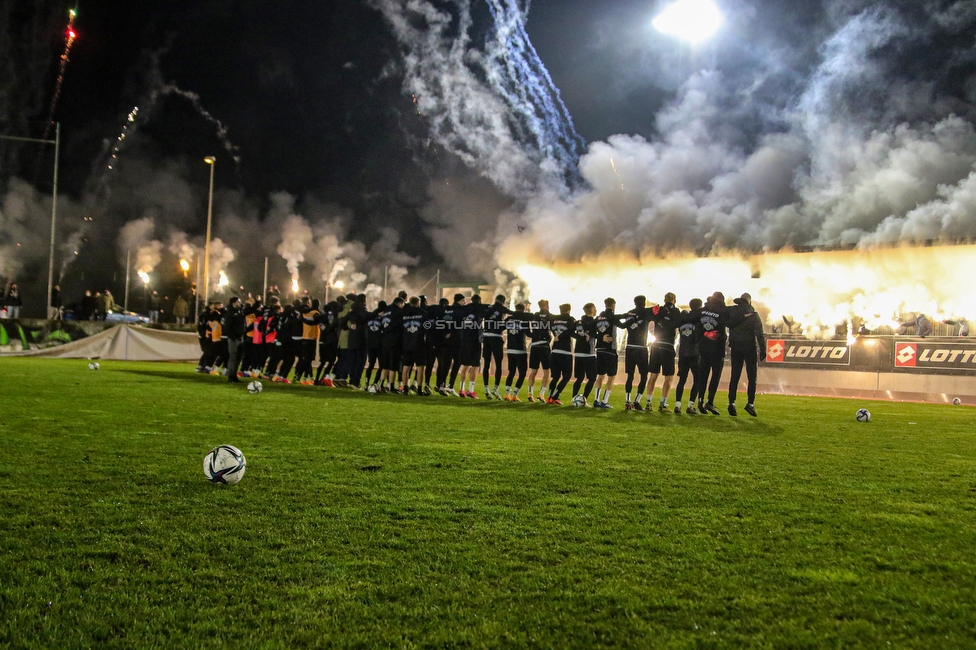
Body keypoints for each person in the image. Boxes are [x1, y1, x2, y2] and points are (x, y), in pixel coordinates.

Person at [727, 293, 765, 417]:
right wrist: (763, 349)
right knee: (752, 377)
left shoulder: (732, 312)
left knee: (734, 376)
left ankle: (731, 403)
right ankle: (750, 403)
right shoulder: (753, 315)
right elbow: (759, 333)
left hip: (736, 347)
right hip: (750, 347)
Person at [644, 292, 682, 412]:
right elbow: (677, 324)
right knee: (669, 377)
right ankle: (663, 403)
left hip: (656, 345)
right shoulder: (676, 311)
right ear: (674, 300)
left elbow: (649, 317)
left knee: (653, 375)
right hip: (668, 345)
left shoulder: (658, 309)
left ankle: (648, 402)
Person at [593, 298, 626, 409]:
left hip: (599, 349)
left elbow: (590, 329)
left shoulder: (598, 317)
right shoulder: (612, 316)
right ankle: (605, 401)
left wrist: (600, 337)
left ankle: (596, 400)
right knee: (611, 376)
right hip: (610, 350)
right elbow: (622, 325)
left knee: (600, 375)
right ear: (613, 305)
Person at [620, 295, 651, 411]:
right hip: (641, 347)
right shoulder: (646, 313)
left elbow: (623, 325)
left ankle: (627, 401)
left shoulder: (629, 313)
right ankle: (637, 401)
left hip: (629, 347)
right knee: (644, 375)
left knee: (630, 375)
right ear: (644, 302)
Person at [673, 298, 703, 415]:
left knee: (682, 380)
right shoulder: (697, 320)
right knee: (697, 380)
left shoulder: (682, 320)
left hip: (683, 353)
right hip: (694, 353)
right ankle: (691, 405)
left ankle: (678, 405)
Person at [481, 294, 512, 399]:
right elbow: (512, 313)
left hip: (486, 337)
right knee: (498, 363)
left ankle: (486, 389)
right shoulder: (501, 308)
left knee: (486, 363)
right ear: (503, 302)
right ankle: (495, 388)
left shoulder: (489, 307)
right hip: (496, 337)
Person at [546, 303, 576, 405]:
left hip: (554, 351)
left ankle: (550, 397)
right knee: (566, 376)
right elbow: (571, 330)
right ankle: (555, 396)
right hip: (565, 351)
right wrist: (562, 336)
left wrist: (555, 335)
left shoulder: (554, 320)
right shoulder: (570, 319)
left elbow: (549, 325)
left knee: (555, 377)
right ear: (569, 310)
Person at [525, 299, 553, 403]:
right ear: (547, 305)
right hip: (544, 345)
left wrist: (532, 335)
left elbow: (525, 322)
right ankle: (541, 394)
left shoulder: (534, 315)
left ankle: (530, 393)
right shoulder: (550, 316)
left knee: (533, 371)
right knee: (546, 371)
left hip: (534, 345)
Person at [571, 303, 598, 406]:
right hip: (589, 354)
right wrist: (588, 335)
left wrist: (579, 337)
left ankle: (574, 399)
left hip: (578, 353)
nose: (596, 310)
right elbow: (595, 334)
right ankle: (584, 399)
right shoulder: (593, 322)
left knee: (579, 378)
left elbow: (570, 332)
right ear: (591, 310)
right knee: (592, 378)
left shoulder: (579, 322)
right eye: (595, 309)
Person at [398, 296, 427, 393]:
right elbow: (427, 327)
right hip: (418, 344)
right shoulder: (422, 313)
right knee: (420, 368)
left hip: (406, 344)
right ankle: (419, 389)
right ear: (417, 302)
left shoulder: (403, 313)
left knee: (405, 368)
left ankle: (405, 388)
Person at [503, 303, 530, 401]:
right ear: (523, 310)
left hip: (510, 349)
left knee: (511, 372)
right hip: (520, 349)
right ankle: (514, 395)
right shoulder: (524, 319)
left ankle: (506, 394)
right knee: (522, 373)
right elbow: (528, 333)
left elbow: (501, 327)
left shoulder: (509, 319)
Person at [221, 297, 246, 383]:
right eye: (238, 302)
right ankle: (231, 376)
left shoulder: (239, 312)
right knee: (233, 357)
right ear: (233, 303)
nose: (240, 303)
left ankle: (234, 376)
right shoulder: (230, 313)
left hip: (240, 338)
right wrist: (233, 337)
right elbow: (227, 327)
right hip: (234, 339)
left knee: (238, 359)